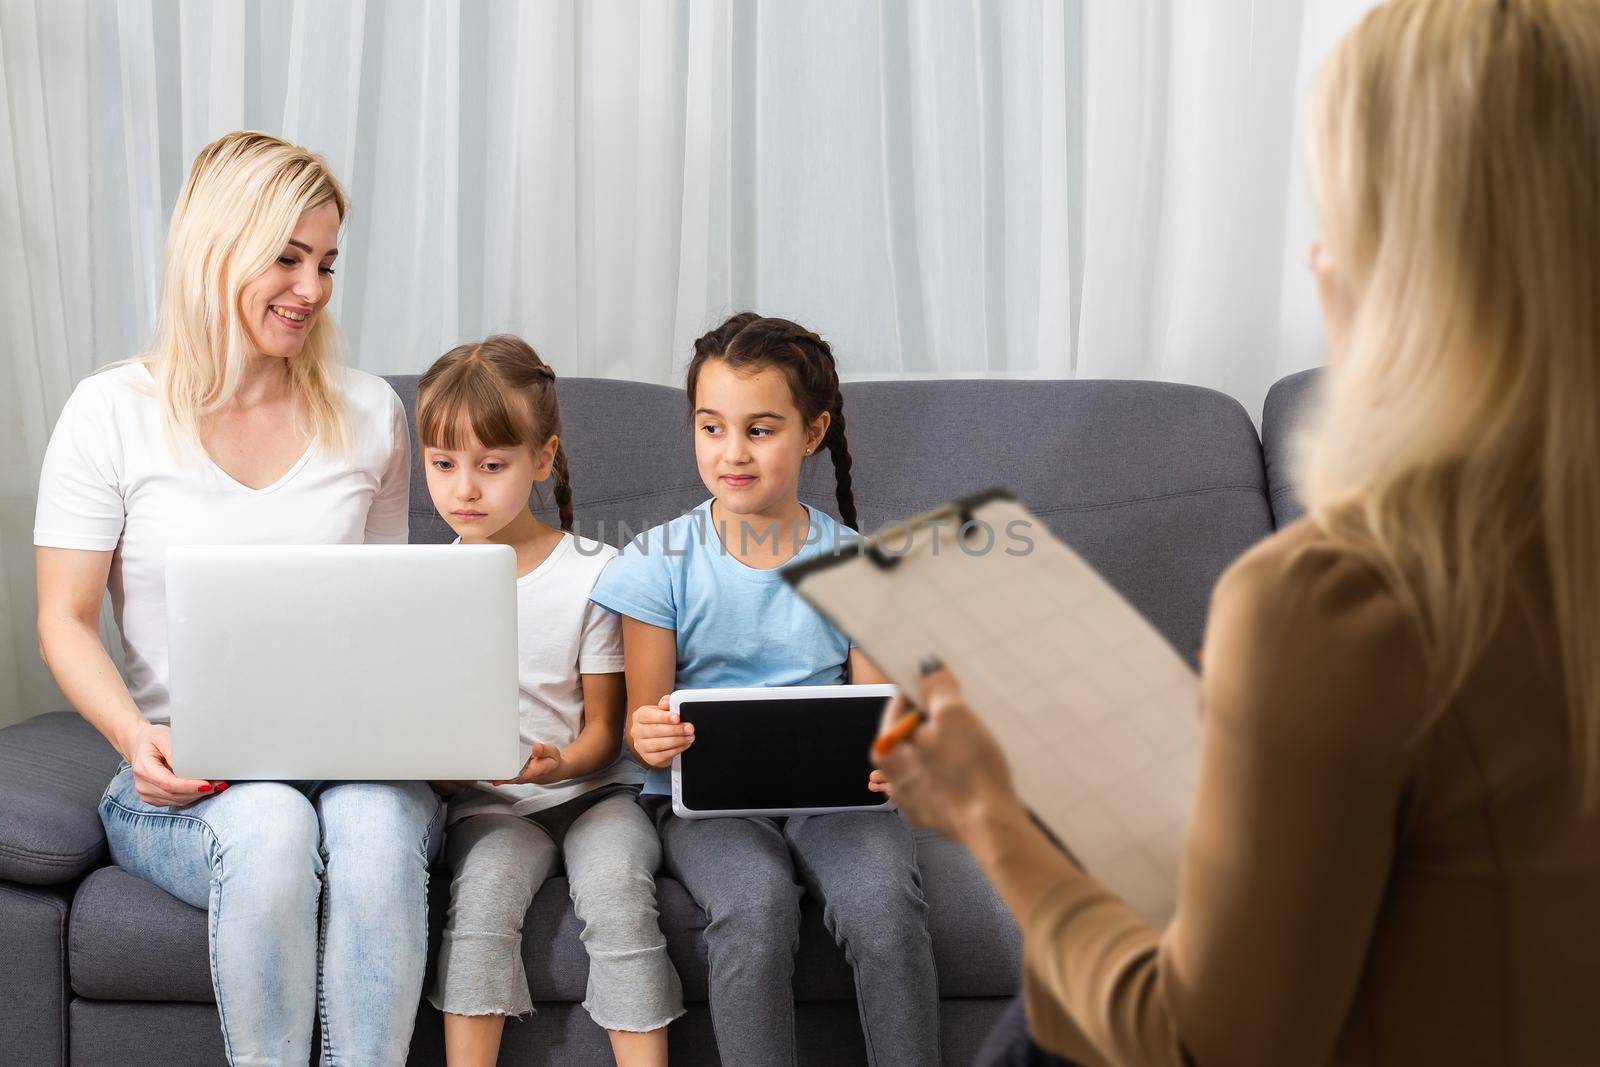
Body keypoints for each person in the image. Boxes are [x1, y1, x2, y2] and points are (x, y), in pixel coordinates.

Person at [877, 2, 1600, 1064]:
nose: (1316, 258)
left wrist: (991, 817)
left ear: (1400, 259)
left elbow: (1201, 1042)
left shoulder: (1344, 595)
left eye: (1337, 211)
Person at [33, 131, 438, 1065]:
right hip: (189, 774)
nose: (313, 288)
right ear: (214, 248)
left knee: (375, 825)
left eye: (327, 262)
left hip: (353, 757)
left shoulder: (371, 412)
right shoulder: (110, 413)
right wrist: (139, 740)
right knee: (271, 821)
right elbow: (63, 617)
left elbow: (388, 614)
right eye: (287, 258)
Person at [588, 313, 940, 1067]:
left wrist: (896, 752)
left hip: (834, 797)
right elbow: (639, 721)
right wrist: (647, 734)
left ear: (812, 433)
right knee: (754, 905)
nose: (732, 453)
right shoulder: (657, 562)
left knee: (884, 904)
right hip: (710, 804)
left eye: (760, 429)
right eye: (713, 428)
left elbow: (881, 712)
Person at [417, 335, 683, 1066]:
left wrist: (558, 761)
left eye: (491, 466)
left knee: (618, 888)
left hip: (595, 792)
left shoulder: (595, 574)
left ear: (542, 459)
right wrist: (446, 769)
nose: (463, 490)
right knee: (483, 898)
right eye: (443, 465)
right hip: (489, 803)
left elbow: (608, 733)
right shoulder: (422, 586)